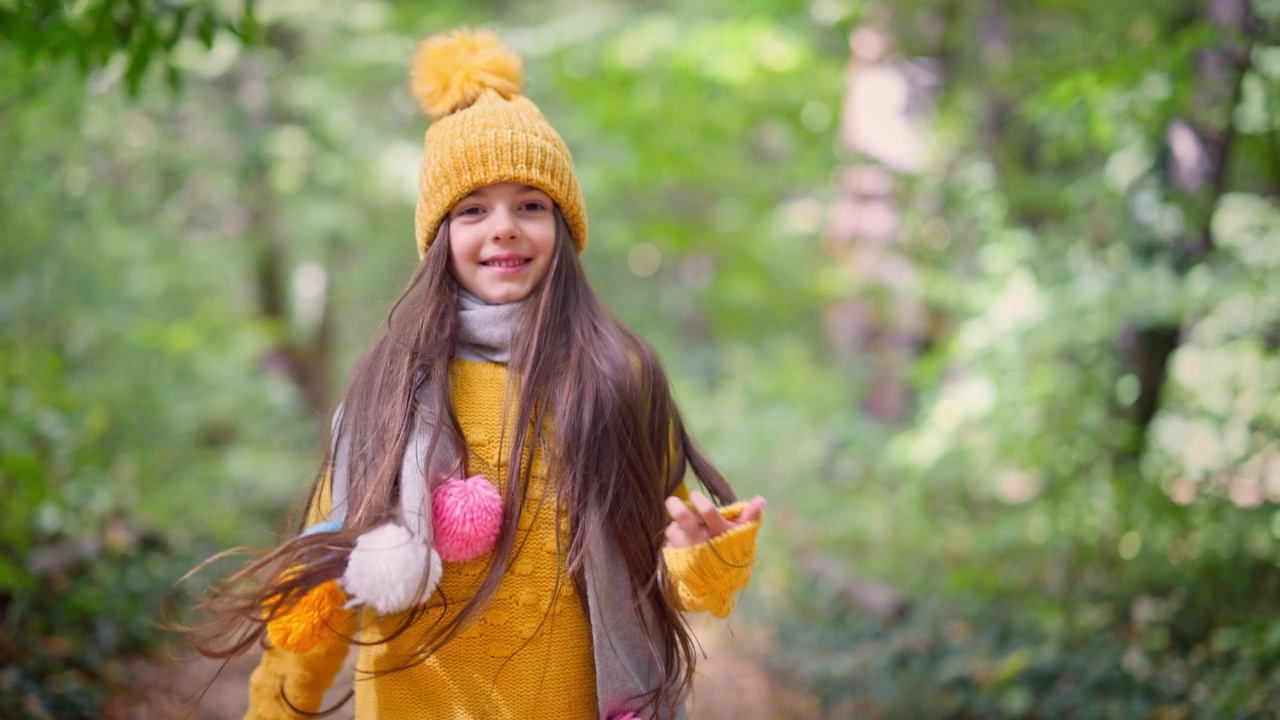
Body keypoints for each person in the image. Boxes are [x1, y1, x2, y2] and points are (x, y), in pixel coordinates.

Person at [195, 27, 765, 720]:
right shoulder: (389, 390)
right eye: (473, 210)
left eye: (531, 204)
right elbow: (317, 588)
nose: (504, 228)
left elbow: (669, 576)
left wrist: (701, 558)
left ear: (563, 227)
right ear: (440, 239)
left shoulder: (616, 375)